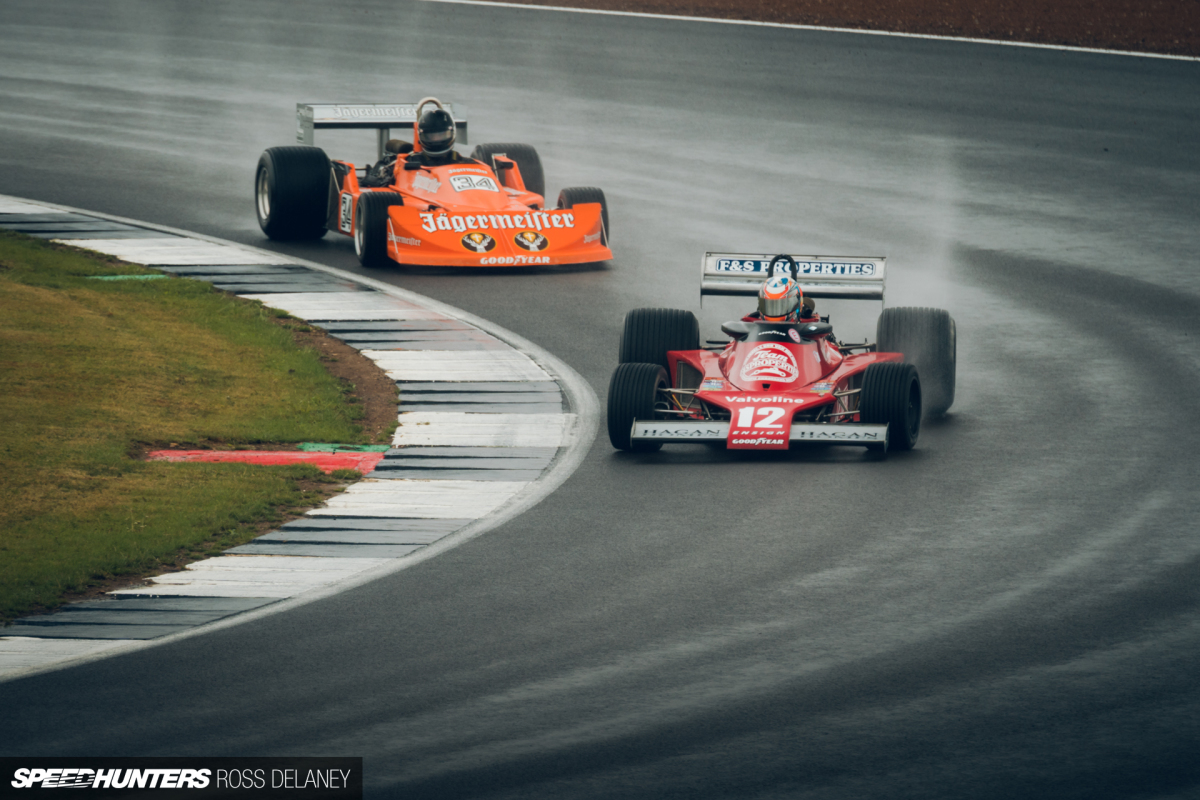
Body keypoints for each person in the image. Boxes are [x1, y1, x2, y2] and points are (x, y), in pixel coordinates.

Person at [745, 274, 818, 323]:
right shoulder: (751, 323)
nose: (775, 310)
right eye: (770, 305)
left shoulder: (810, 328)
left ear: (797, 303)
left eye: (781, 305)